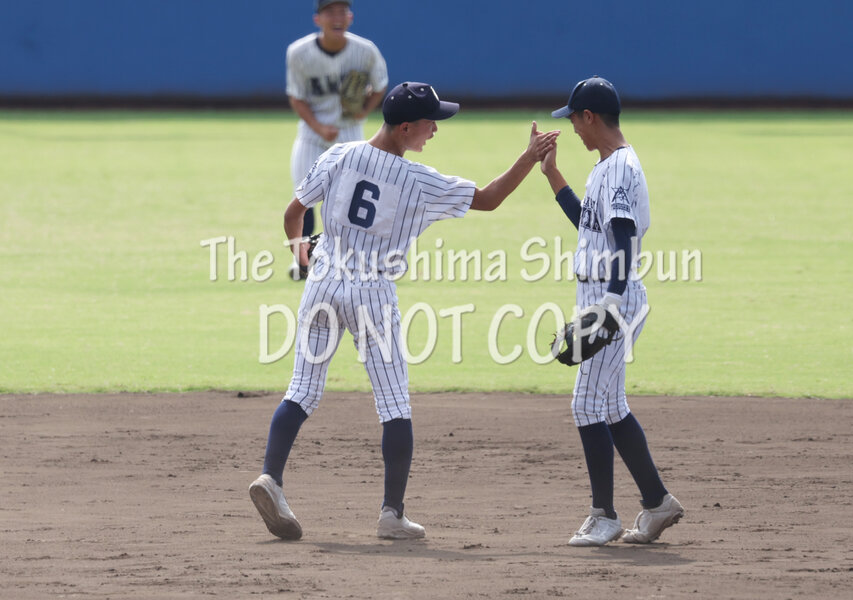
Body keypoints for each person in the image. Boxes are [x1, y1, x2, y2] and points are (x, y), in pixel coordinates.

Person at [249, 81, 559, 540]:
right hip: (372, 294)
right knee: (394, 403)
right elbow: (489, 198)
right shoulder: (418, 181)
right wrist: (530, 157)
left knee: (302, 390)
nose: (435, 130)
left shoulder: (339, 155)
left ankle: (271, 478)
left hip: (322, 286)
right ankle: (392, 515)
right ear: (406, 127)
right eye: (431, 122)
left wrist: (303, 256)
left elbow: (293, 214)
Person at [539, 76, 684, 546]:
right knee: (609, 405)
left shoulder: (619, 167)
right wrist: (552, 174)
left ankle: (603, 515)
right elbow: (590, 223)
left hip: (611, 297)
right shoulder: (607, 165)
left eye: (574, 120)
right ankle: (657, 503)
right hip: (604, 295)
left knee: (586, 404)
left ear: (590, 117)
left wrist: (611, 303)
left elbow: (621, 236)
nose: (572, 129)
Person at [286, 0, 388, 240]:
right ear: (317, 20)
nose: (337, 18)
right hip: (311, 136)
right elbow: (297, 97)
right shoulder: (299, 52)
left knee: (351, 201)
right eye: (330, 12)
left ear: (351, 18)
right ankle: (302, 257)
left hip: (350, 133)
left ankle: (349, 254)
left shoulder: (365, 51)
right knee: (304, 197)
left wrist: (365, 110)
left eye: (343, 11)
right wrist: (319, 127)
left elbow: (380, 85)